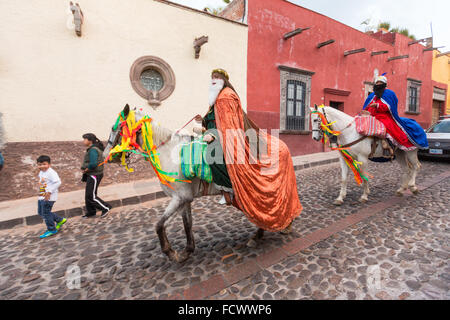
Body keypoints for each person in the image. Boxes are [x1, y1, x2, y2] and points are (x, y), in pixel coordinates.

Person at [195, 69, 302, 232]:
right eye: (212, 78)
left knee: (213, 156)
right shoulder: (216, 99)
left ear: (224, 80)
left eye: (217, 77)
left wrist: (213, 135)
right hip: (215, 134)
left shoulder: (226, 96)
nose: (213, 80)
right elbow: (215, 120)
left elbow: (229, 124)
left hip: (229, 137)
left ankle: (228, 191)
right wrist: (202, 122)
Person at [363, 74, 428, 156]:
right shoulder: (373, 95)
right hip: (372, 115)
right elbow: (367, 105)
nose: (378, 84)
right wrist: (366, 111)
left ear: (384, 84)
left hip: (384, 116)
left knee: (385, 125)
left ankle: (387, 144)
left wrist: (377, 105)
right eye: (377, 83)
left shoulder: (389, 93)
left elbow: (390, 106)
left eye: (380, 83)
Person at [81, 133, 112, 218]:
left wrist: (87, 169)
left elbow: (93, 164)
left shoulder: (93, 150)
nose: (83, 141)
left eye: (84, 139)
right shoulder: (93, 148)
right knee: (89, 195)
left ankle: (105, 207)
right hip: (92, 174)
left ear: (90, 141)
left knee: (91, 196)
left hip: (94, 175)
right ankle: (91, 212)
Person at [36, 155, 67, 238]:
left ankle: (51, 229)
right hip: (42, 195)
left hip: (49, 196)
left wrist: (49, 192)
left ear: (49, 164)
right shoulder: (41, 172)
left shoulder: (51, 172)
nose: (42, 166)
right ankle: (60, 220)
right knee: (41, 212)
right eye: (39, 164)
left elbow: (58, 182)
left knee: (46, 213)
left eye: (44, 164)